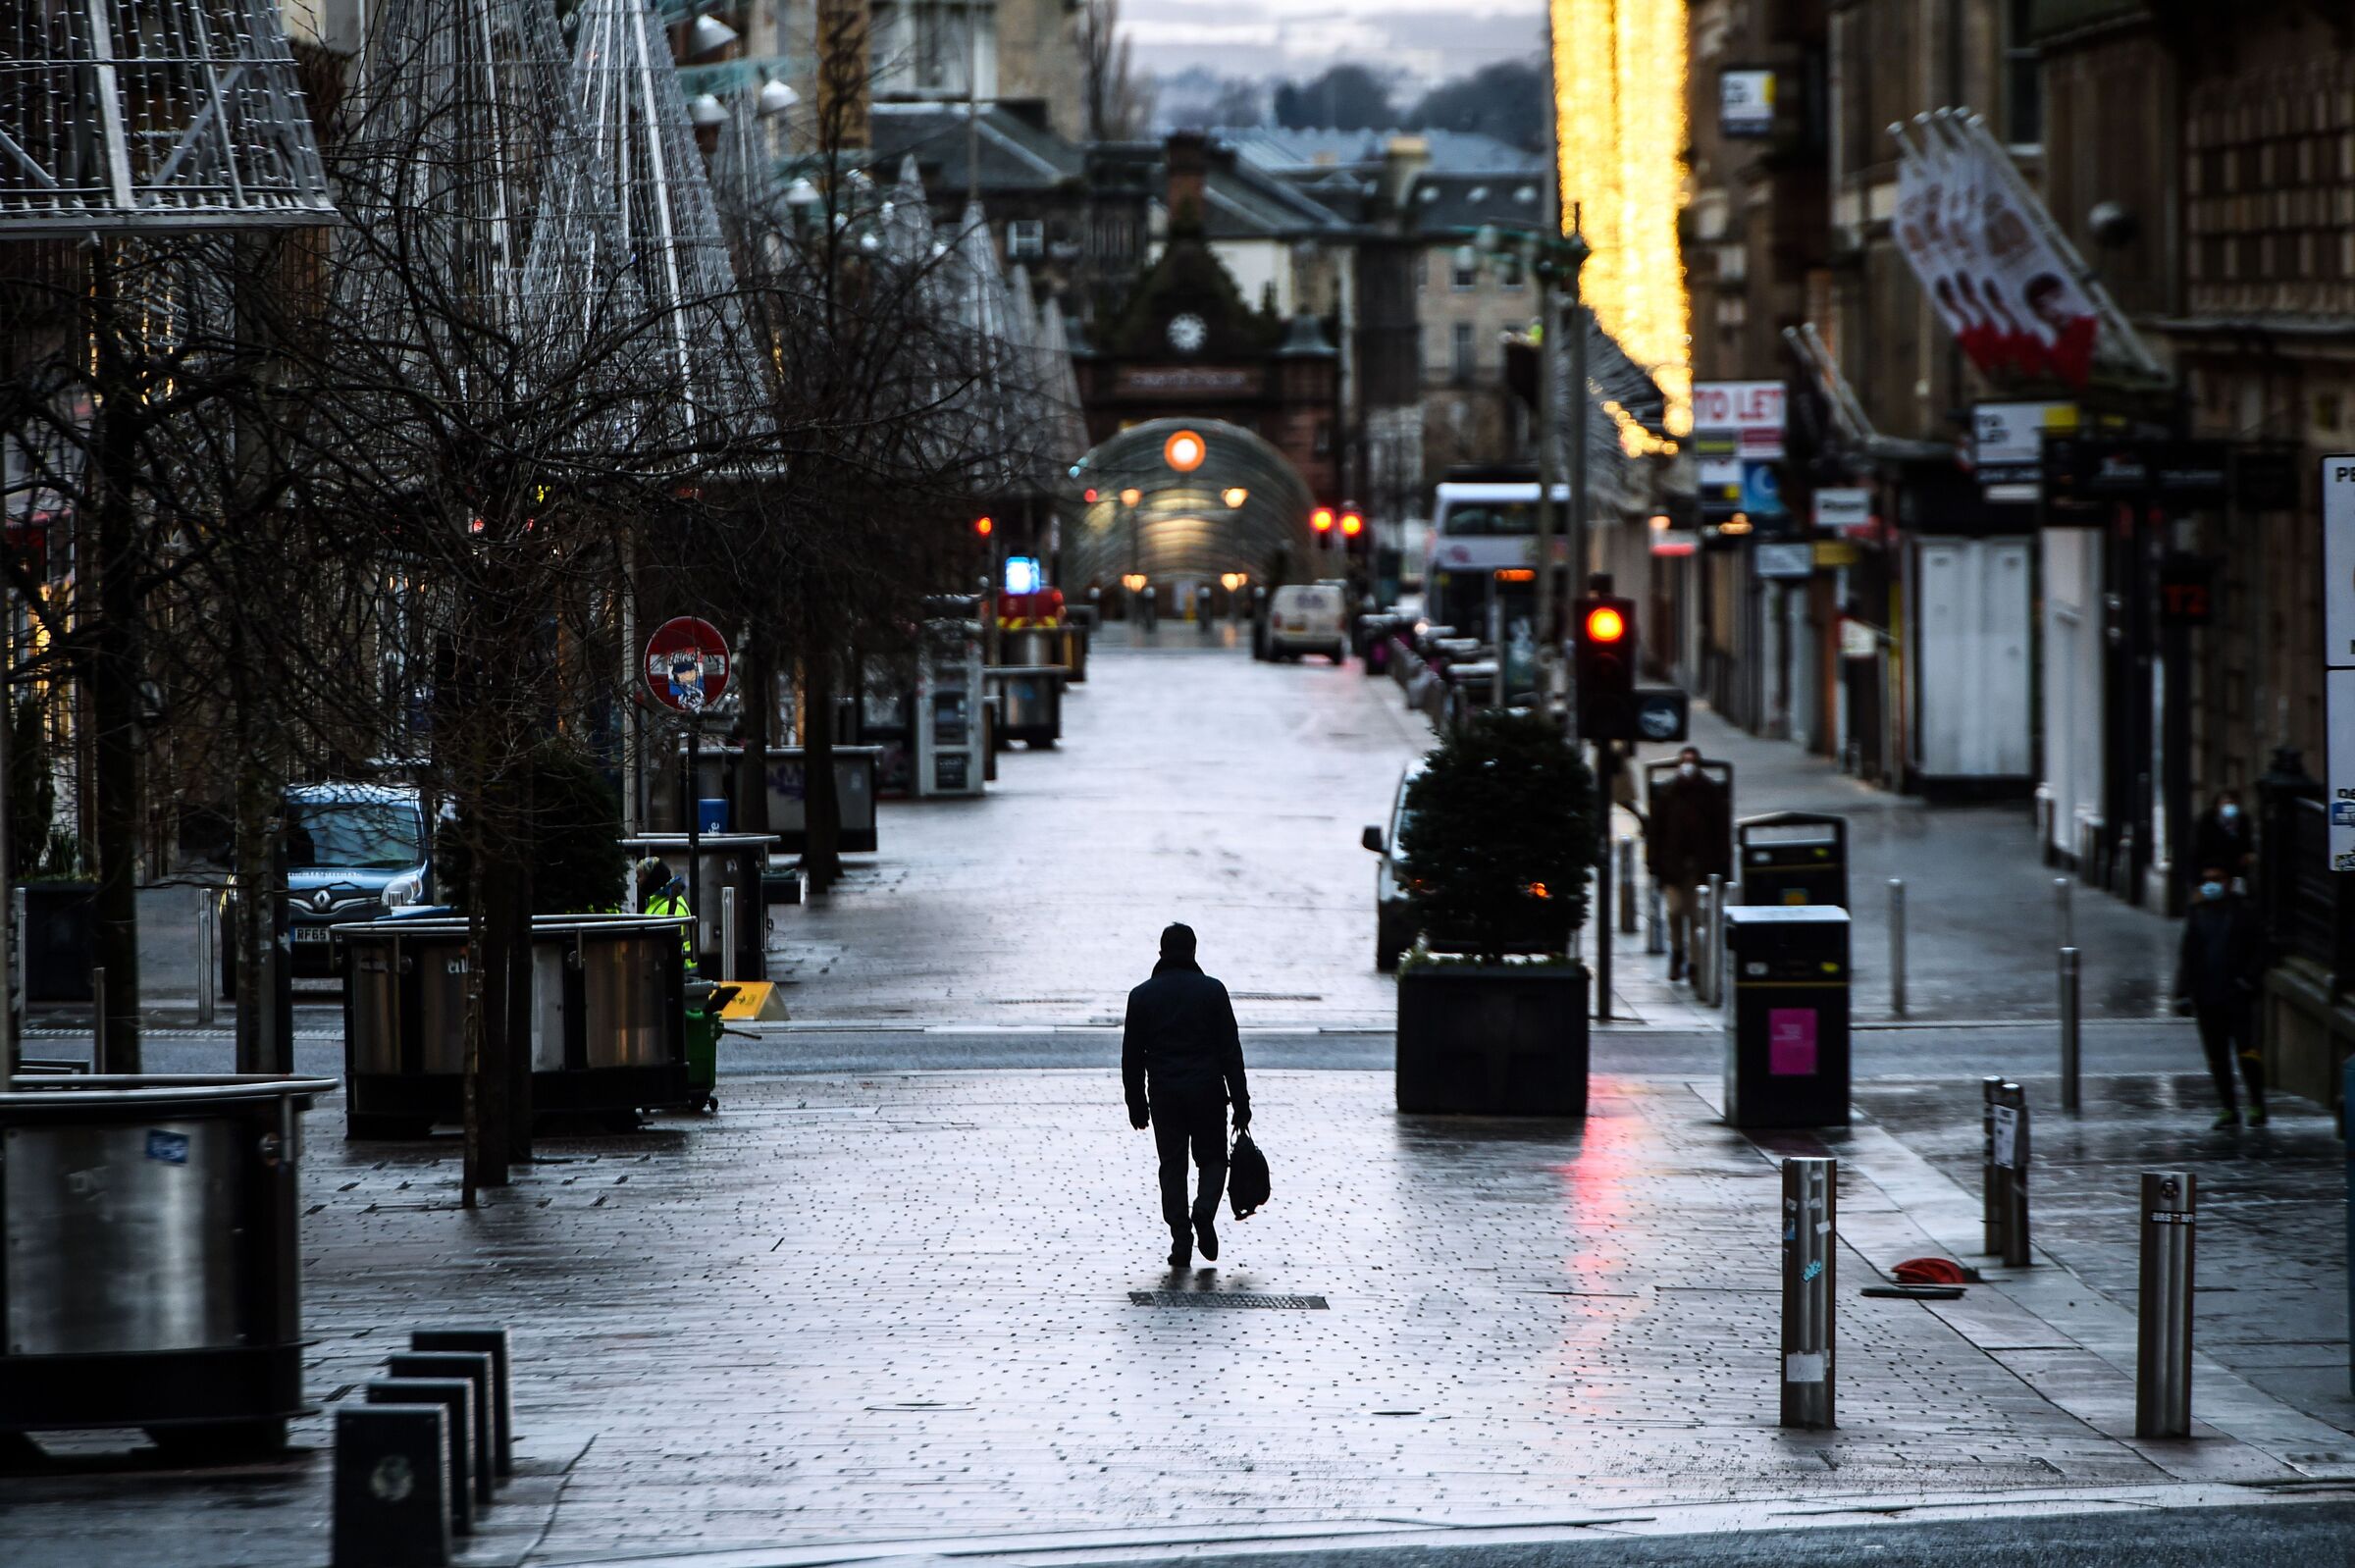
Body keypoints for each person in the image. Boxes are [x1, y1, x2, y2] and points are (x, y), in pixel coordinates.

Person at [1123, 922, 1251, 1268]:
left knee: (1172, 1166)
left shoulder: (1142, 996)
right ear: (1194, 952)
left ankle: (1181, 1239)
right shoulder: (1213, 991)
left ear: (1161, 953)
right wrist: (1241, 1101)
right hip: (1208, 1091)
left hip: (1164, 1095)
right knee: (1212, 1159)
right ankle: (1204, 1210)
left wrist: (1136, 1103)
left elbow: (1132, 1056)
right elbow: (1230, 1051)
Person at [2172, 866, 2266, 1128]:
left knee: (2247, 1050)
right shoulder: (2197, 913)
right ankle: (2228, 1107)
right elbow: (2188, 954)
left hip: (2237, 994)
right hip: (2207, 995)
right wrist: (2183, 992)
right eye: (2207, 880)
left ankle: (2257, 1103)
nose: (2211, 885)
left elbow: (2260, 946)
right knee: (2217, 1055)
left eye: (2217, 879)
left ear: (2228, 882)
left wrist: (2248, 980)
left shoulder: (2244, 911)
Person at [1646, 747, 1731, 983]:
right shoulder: (1667, 793)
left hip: (1700, 867)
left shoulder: (1710, 793)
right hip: (1672, 867)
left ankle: (1693, 964)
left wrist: (1722, 867)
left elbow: (1720, 833)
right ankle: (1677, 954)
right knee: (1674, 912)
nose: (1688, 765)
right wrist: (1654, 863)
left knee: (1695, 917)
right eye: (1684, 761)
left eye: (1692, 761)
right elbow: (1656, 832)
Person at [636, 856, 698, 976]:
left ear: (652, 878)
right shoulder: (657, 902)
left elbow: (670, 941)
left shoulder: (673, 905)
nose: (637, 881)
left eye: (640, 876)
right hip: (666, 966)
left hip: (681, 971)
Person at [2192, 790, 2254, 888]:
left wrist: (2248, 855)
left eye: (2233, 803)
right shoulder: (2207, 820)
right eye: (2226, 803)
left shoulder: (2243, 820)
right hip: (2213, 869)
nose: (2230, 807)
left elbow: (2247, 845)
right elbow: (2200, 849)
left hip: (2236, 871)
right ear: (2218, 805)